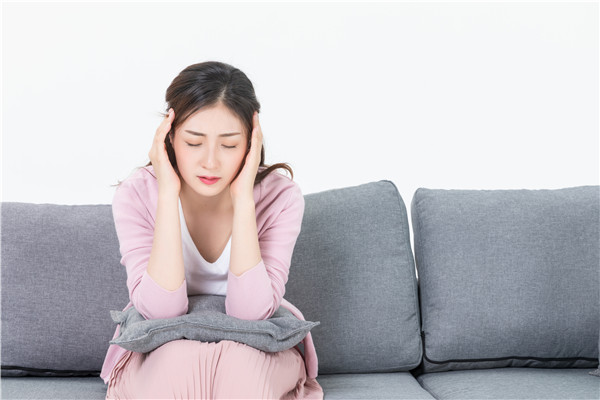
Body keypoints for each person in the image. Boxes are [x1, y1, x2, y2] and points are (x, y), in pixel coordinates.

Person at [100, 61, 323, 399]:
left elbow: (251, 314)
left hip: (256, 342)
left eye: (229, 145)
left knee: (240, 375)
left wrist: (243, 199)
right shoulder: (137, 194)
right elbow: (160, 312)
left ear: (251, 142)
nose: (210, 162)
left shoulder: (281, 197)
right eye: (193, 142)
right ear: (169, 137)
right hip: (163, 341)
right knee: (177, 371)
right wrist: (168, 194)